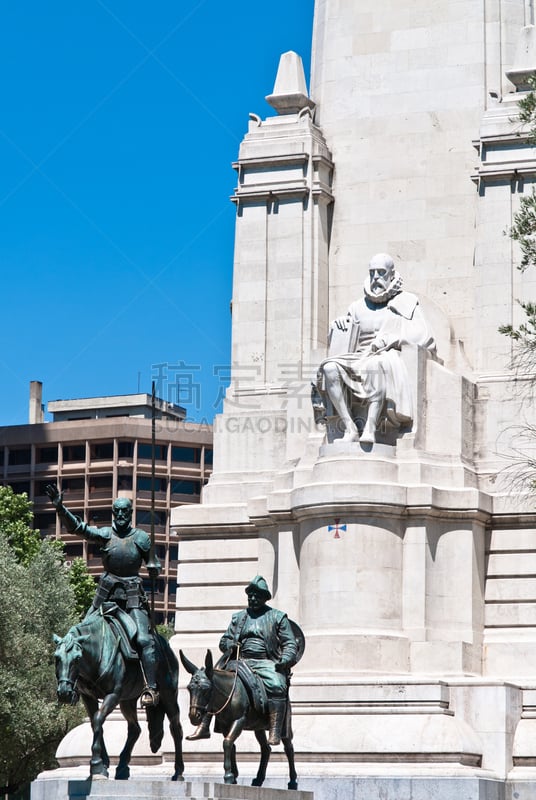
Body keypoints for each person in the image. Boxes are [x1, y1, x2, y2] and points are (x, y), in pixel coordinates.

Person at [45, 484, 161, 707]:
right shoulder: (106, 535)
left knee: (145, 641)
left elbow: (153, 563)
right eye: (116, 512)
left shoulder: (142, 538)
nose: (120, 516)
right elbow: (79, 528)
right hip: (105, 597)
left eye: (124, 512)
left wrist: (154, 568)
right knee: (78, 634)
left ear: (130, 513)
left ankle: (150, 688)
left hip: (132, 598)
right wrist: (60, 508)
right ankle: (76, 684)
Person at [315, 252, 435, 443]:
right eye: (372, 273)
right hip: (357, 356)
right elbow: (344, 338)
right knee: (329, 368)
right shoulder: (357, 307)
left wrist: (392, 339)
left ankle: (370, 427)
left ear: (391, 274)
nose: (376, 278)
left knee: (375, 365)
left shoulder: (406, 302)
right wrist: (337, 326)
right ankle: (350, 428)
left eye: (381, 272)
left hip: (385, 354)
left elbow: (423, 336)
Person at [187, 575, 298, 746]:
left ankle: (275, 730)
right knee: (211, 681)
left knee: (277, 684)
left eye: (256, 595)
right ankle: (204, 726)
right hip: (239, 661)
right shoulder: (238, 618)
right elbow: (224, 641)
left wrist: (284, 660)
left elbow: (290, 643)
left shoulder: (277, 617)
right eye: (250, 595)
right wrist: (230, 644)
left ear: (265, 597)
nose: (252, 599)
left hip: (265, 662)